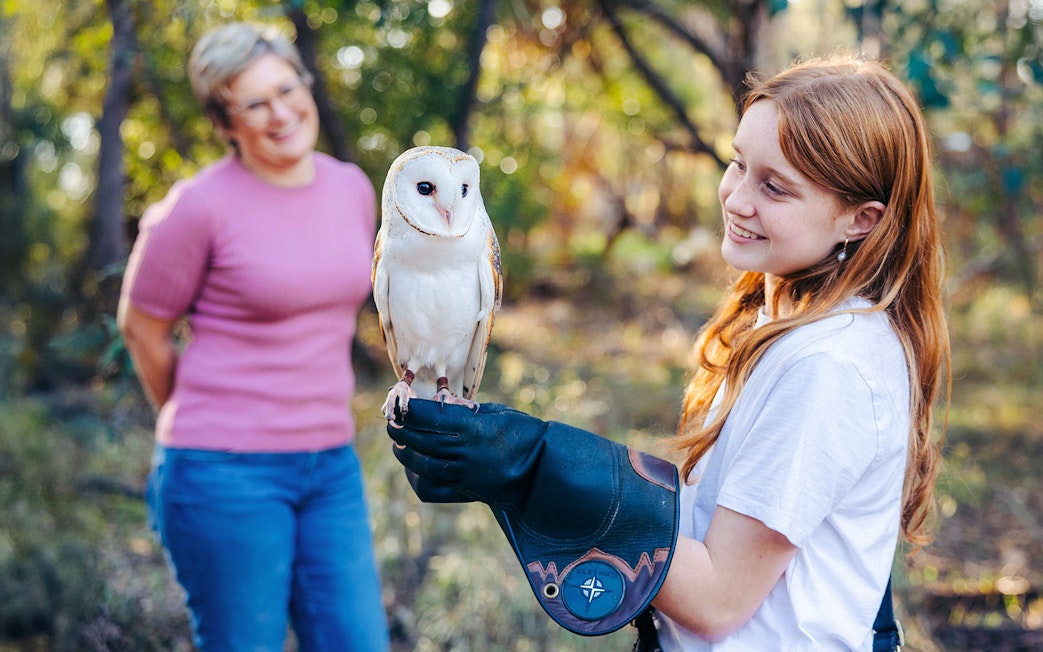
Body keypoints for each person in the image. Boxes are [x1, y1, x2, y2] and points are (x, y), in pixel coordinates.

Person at [385, 52, 949, 651]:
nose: (736, 198)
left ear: (859, 220)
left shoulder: (828, 366)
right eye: (738, 163)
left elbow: (717, 598)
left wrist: (540, 471)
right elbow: (713, 523)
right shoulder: (793, 319)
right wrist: (525, 469)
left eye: (775, 187)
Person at [117, 22, 389, 652]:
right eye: (254, 102)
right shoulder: (197, 208)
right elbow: (142, 328)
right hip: (223, 474)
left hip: (331, 469)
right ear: (224, 122)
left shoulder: (352, 188)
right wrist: (203, 425)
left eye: (287, 88)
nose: (281, 112)